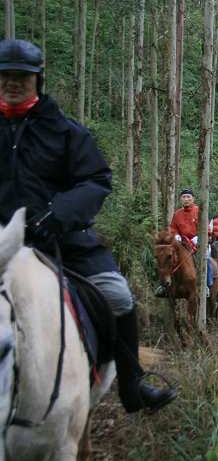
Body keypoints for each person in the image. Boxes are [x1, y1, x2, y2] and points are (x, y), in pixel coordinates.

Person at [0, 39, 176, 413]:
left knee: (118, 296)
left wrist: (56, 214)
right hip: (1, 243)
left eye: (22, 77)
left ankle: (133, 386)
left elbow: (96, 179)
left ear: (37, 79)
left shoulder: (65, 132)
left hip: (60, 239)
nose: (13, 83)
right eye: (5, 76)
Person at [156, 188, 215, 297]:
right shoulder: (177, 214)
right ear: (180, 199)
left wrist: (198, 238)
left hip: (198, 243)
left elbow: (206, 228)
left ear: (193, 199)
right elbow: (172, 228)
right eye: (184, 197)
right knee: (165, 258)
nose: (186, 199)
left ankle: (206, 286)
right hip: (182, 243)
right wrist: (177, 236)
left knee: (206, 260)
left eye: (188, 197)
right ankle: (163, 285)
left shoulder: (199, 211)